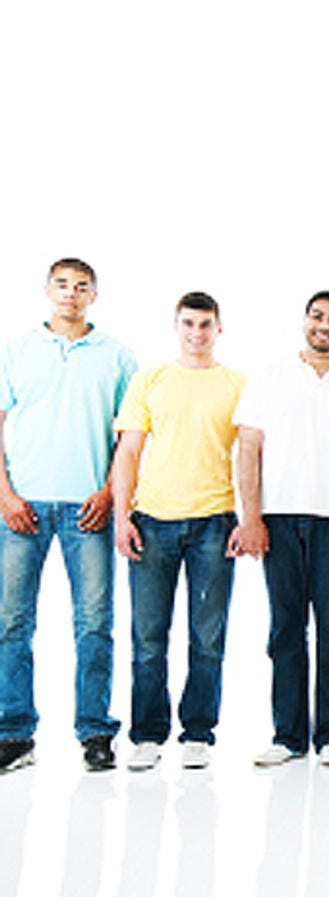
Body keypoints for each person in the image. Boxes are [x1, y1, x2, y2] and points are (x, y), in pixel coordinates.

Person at [0, 259, 137, 775]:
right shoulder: (16, 350)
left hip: (88, 508)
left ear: (94, 296)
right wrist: (5, 495)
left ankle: (96, 732)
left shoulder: (117, 356)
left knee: (94, 625)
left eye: (81, 287)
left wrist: (108, 493)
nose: (71, 294)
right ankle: (14, 733)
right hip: (23, 506)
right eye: (62, 285)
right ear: (46, 291)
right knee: (11, 623)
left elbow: (129, 437)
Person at [232, 291, 329, 768]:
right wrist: (250, 518)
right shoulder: (270, 377)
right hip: (279, 519)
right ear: (306, 321)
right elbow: (247, 448)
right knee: (286, 629)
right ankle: (288, 735)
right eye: (318, 316)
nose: (325, 325)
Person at [113, 291, 246, 771]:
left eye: (205, 324)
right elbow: (128, 452)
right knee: (148, 636)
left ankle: (198, 732)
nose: (196, 333)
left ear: (218, 329)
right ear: (176, 326)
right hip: (152, 522)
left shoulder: (236, 384)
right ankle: (147, 734)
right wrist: (121, 517)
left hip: (215, 522)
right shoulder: (151, 379)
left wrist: (248, 519)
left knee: (208, 637)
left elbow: (253, 457)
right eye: (188, 323)